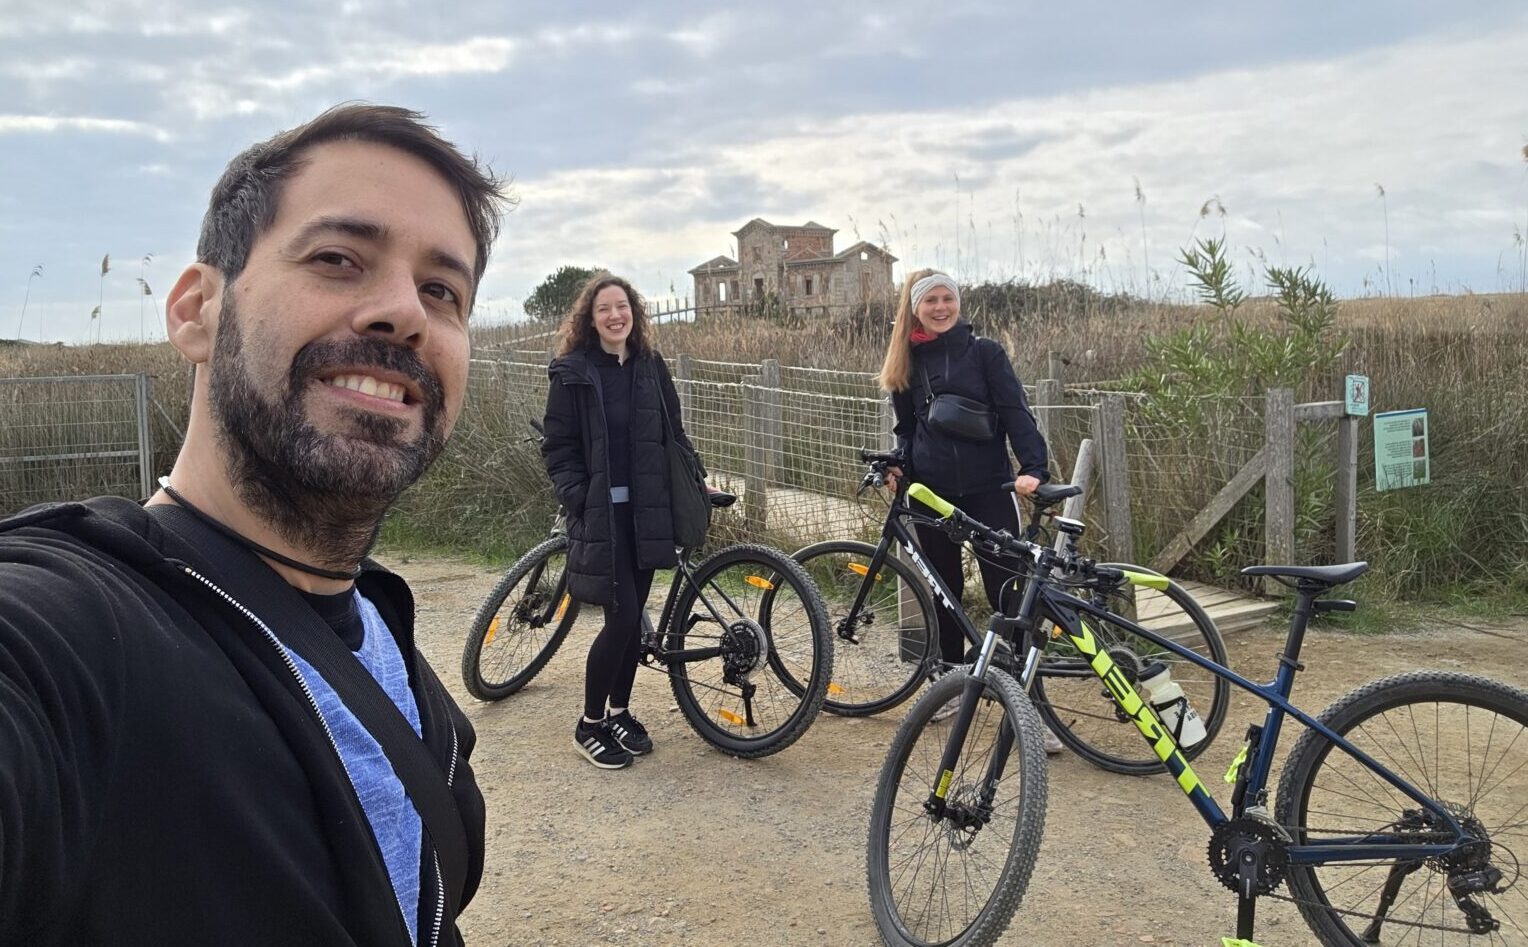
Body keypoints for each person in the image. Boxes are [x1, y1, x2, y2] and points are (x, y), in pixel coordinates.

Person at [0, 104, 510, 946]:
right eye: (338, 258)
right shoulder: (73, 632)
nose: (404, 313)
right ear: (197, 309)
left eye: (441, 290)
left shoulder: (388, 639)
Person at [879, 269, 1061, 748]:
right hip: (930, 494)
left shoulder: (985, 353)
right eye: (930, 301)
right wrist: (899, 466)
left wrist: (1034, 469)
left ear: (958, 304)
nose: (941, 308)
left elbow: (1016, 413)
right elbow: (907, 431)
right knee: (945, 590)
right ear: (915, 310)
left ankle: (1027, 708)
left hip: (987, 489)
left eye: (947, 299)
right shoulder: (906, 363)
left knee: (1008, 593)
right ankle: (953, 685)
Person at [541, 273, 702, 770]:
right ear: (590, 319)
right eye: (604, 309)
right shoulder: (572, 372)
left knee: (632, 624)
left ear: (635, 313)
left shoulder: (650, 367)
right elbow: (559, 446)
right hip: (602, 516)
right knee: (623, 617)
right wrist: (579, 497)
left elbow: (673, 435)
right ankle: (588, 724)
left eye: (623, 307)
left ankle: (619, 711)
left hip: (648, 513)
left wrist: (696, 480)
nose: (615, 316)